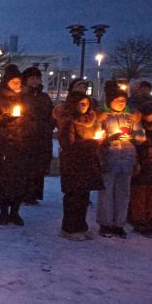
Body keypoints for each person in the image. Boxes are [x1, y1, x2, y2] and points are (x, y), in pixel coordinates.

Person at [0, 64, 36, 226]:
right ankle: (3, 211)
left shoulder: (26, 99)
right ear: (6, 82)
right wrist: (4, 119)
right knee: (4, 180)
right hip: (4, 146)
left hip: (22, 146)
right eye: (13, 81)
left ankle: (15, 211)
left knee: (20, 180)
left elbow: (33, 120)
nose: (17, 84)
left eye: (18, 81)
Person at [96, 81, 146, 238]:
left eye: (123, 100)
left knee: (123, 192)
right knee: (106, 192)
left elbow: (141, 137)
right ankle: (105, 223)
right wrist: (110, 138)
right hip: (109, 157)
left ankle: (119, 223)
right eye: (117, 100)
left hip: (127, 158)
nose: (121, 102)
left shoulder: (131, 119)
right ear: (110, 101)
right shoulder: (104, 118)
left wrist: (133, 136)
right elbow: (96, 137)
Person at [54, 92, 104, 240]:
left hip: (88, 162)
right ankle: (69, 228)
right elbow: (67, 144)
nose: (84, 106)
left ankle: (81, 226)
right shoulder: (69, 121)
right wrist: (92, 143)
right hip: (73, 163)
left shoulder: (91, 120)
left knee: (84, 196)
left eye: (86, 103)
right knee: (73, 196)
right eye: (81, 103)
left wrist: (99, 140)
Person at [129, 100, 152, 237]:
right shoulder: (139, 129)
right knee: (139, 195)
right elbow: (134, 148)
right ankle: (139, 220)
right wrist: (146, 153)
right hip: (141, 169)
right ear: (145, 116)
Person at [21, 66, 54, 205]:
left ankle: (34, 194)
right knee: (26, 167)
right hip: (25, 136)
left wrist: (48, 126)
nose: (35, 81)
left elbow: (51, 115)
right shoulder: (22, 96)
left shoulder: (44, 97)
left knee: (38, 167)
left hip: (42, 136)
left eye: (37, 78)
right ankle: (24, 194)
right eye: (32, 78)